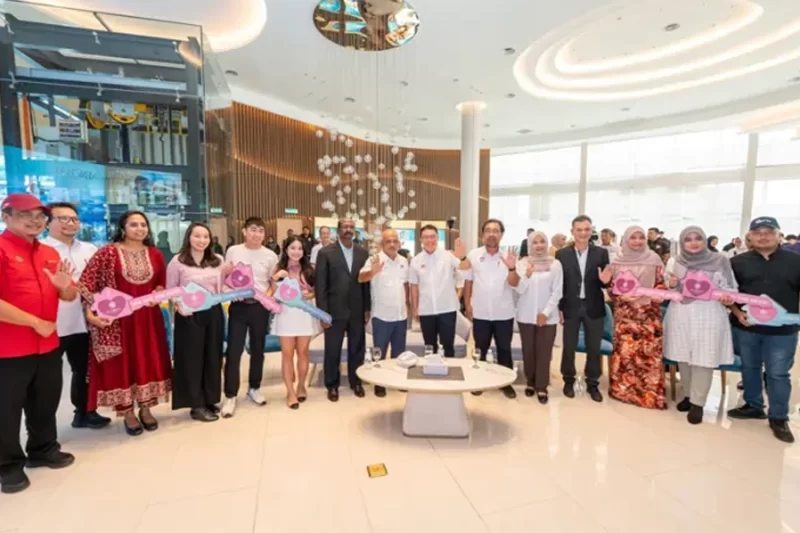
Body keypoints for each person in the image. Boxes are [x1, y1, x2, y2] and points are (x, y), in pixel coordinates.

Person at [0, 194, 78, 494]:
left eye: (39, 216)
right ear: (7, 217)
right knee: (6, 410)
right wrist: (33, 322)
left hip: (47, 345)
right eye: (24, 215)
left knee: (44, 401)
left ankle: (43, 449)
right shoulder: (3, 249)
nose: (34, 221)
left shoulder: (48, 253)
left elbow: (69, 295)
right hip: (8, 348)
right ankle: (8, 466)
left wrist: (64, 288)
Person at [79, 211, 172, 436]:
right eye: (134, 224)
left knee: (148, 361)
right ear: (123, 228)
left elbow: (161, 285)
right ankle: (128, 412)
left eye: (143, 225)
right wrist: (90, 313)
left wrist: (158, 294)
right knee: (123, 364)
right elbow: (85, 283)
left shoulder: (155, 254)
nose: (139, 229)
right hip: (118, 321)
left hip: (147, 320)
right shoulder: (107, 253)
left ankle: (147, 408)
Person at [727, 217, 800, 443]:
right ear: (749, 237)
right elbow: (728, 294)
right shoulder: (737, 262)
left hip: (783, 330)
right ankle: (753, 405)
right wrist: (738, 313)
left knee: (778, 373)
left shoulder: (795, 261)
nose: (763, 236)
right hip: (747, 327)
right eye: (757, 232)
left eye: (769, 232)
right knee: (749, 367)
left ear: (779, 235)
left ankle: (779, 417)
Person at [42, 203, 110, 430]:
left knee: (84, 369)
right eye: (63, 219)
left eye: (74, 219)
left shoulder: (90, 249)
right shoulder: (41, 249)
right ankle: (43, 428)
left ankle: (84, 411)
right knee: (48, 377)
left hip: (85, 321)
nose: (71, 223)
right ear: (48, 222)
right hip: (52, 323)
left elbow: (102, 282)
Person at [664, 226, 736, 424]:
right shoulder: (675, 261)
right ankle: (687, 395)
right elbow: (670, 286)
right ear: (682, 242)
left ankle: (698, 404)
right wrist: (670, 283)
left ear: (705, 240)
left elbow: (731, 287)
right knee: (683, 356)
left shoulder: (720, 260)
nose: (693, 242)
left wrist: (728, 297)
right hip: (681, 313)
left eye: (698, 238)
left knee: (703, 358)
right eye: (688, 239)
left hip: (709, 313)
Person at [167, 223, 231, 422]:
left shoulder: (217, 260)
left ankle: (210, 398)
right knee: (192, 359)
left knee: (213, 356)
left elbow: (221, 288)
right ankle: (196, 404)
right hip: (189, 313)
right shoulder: (177, 261)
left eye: (205, 236)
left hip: (212, 312)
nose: (201, 240)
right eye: (197, 236)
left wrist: (233, 283)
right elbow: (171, 289)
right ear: (189, 237)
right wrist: (179, 305)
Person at [222, 217, 278, 416]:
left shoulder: (270, 255)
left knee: (258, 350)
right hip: (238, 307)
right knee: (234, 351)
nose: (257, 234)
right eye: (253, 230)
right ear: (245, 231)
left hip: (260, 308)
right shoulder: (233, 251)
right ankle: (230, 396)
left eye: (261, 231)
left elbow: (273, 283)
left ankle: (254, 388)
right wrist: (230, 291)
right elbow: (225, 277)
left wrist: (267, 299)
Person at [608, 226, 667, 410]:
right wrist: (619, 296)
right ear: (625, 240)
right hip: (626, 316)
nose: (637, 241)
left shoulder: (654, 259)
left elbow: (661, 284)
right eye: (633, 237)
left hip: (649, 314)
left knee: (649, 355)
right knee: (626, 355)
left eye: (641, 237)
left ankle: (649, 395)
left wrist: (659, 293)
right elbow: (611, 287)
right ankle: (623, 392)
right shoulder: (616, 261)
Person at [557, 215, 612, 402]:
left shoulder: (601, 253)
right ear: (572, 231)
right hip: (571, 306)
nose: (583, 233)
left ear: (591, 231)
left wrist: (606, 282)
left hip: (594, 305)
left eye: (587, 229)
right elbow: (560, 283)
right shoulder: (562, 254)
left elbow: (605, 280)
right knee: (569, 346)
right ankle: (568, 380)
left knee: (594, 347)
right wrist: (560, 307)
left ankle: (593, 383)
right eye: (579, 229)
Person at [316, 218, 371, 402]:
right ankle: (332, 385)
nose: (348, 230)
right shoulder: (325, 253)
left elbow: (366, 284)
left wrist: (367, 308)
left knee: (357, 348)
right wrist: (322, 312)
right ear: (338, 230)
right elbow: (320, 285)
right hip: (333, 311)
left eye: (351, 227)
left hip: (357, 309)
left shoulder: (363, 253)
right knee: (333, 349)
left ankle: (356, 382)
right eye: (345, 227)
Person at [463, 219, 518, 399]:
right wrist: (468, 304)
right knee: (480, 348)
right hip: (481, 312)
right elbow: (468, 281)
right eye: (488, 230)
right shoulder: (473, 255)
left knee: (504, 349)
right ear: (482, 234)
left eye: (496, 231)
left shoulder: (508, 256)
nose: (492, 234)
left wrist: (512, 267)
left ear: (501, 235)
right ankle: (479, 381)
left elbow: (515, 283)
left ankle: (506, 383)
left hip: (504, 312)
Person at [269, 236, 319, 409]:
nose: (296, 251)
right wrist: (276, 278)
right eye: (293, 248)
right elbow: (273, 294)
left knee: (303, 353)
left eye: (300, 248)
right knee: (287, 354)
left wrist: (311, 295)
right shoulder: (279, 268)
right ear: (286, 249)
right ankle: (290, 392)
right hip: (286, 314)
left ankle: (301, 385)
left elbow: (316, 291)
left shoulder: (310, 269)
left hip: (304, 314)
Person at [358, 228, 409, 397]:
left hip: (401, 315)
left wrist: (409, 304)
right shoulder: (375, 259)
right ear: (382, 244)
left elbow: (406, 284)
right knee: (379, 352)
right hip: (382, 315)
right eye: (388, 241)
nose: (392, 244)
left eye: (395, 241)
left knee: (399, 352)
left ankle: (398, 379)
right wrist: (373, 271)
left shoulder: (404, 260)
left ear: (399, 243)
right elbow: (360, 278)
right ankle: (379, 382)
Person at [514, 231, 562, 404]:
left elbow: (557, 291)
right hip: (525, 314)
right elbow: (518, 290)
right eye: (535, 242)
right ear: (529, 245)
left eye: (542, 242)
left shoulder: (555, 264)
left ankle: (541, 386)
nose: (539, 245)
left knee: (544, 352)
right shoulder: (522, 263)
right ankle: (530, 382)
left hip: (547, 317)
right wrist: (526, 276)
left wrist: (545, 313)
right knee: (529, 351)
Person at [409, 225, 467, 358]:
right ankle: (432, 373)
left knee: (448, 346)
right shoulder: (416, 261)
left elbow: (464, 268)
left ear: (438, 238)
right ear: (420, 239)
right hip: (426, 309)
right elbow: (413, 286)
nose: (430, 240)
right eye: (426, 237)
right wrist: (415, 308)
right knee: (430, 347)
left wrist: (462, 256)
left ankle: (450, 374)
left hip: (447, 309)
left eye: (432, 237)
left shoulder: (448, 256)